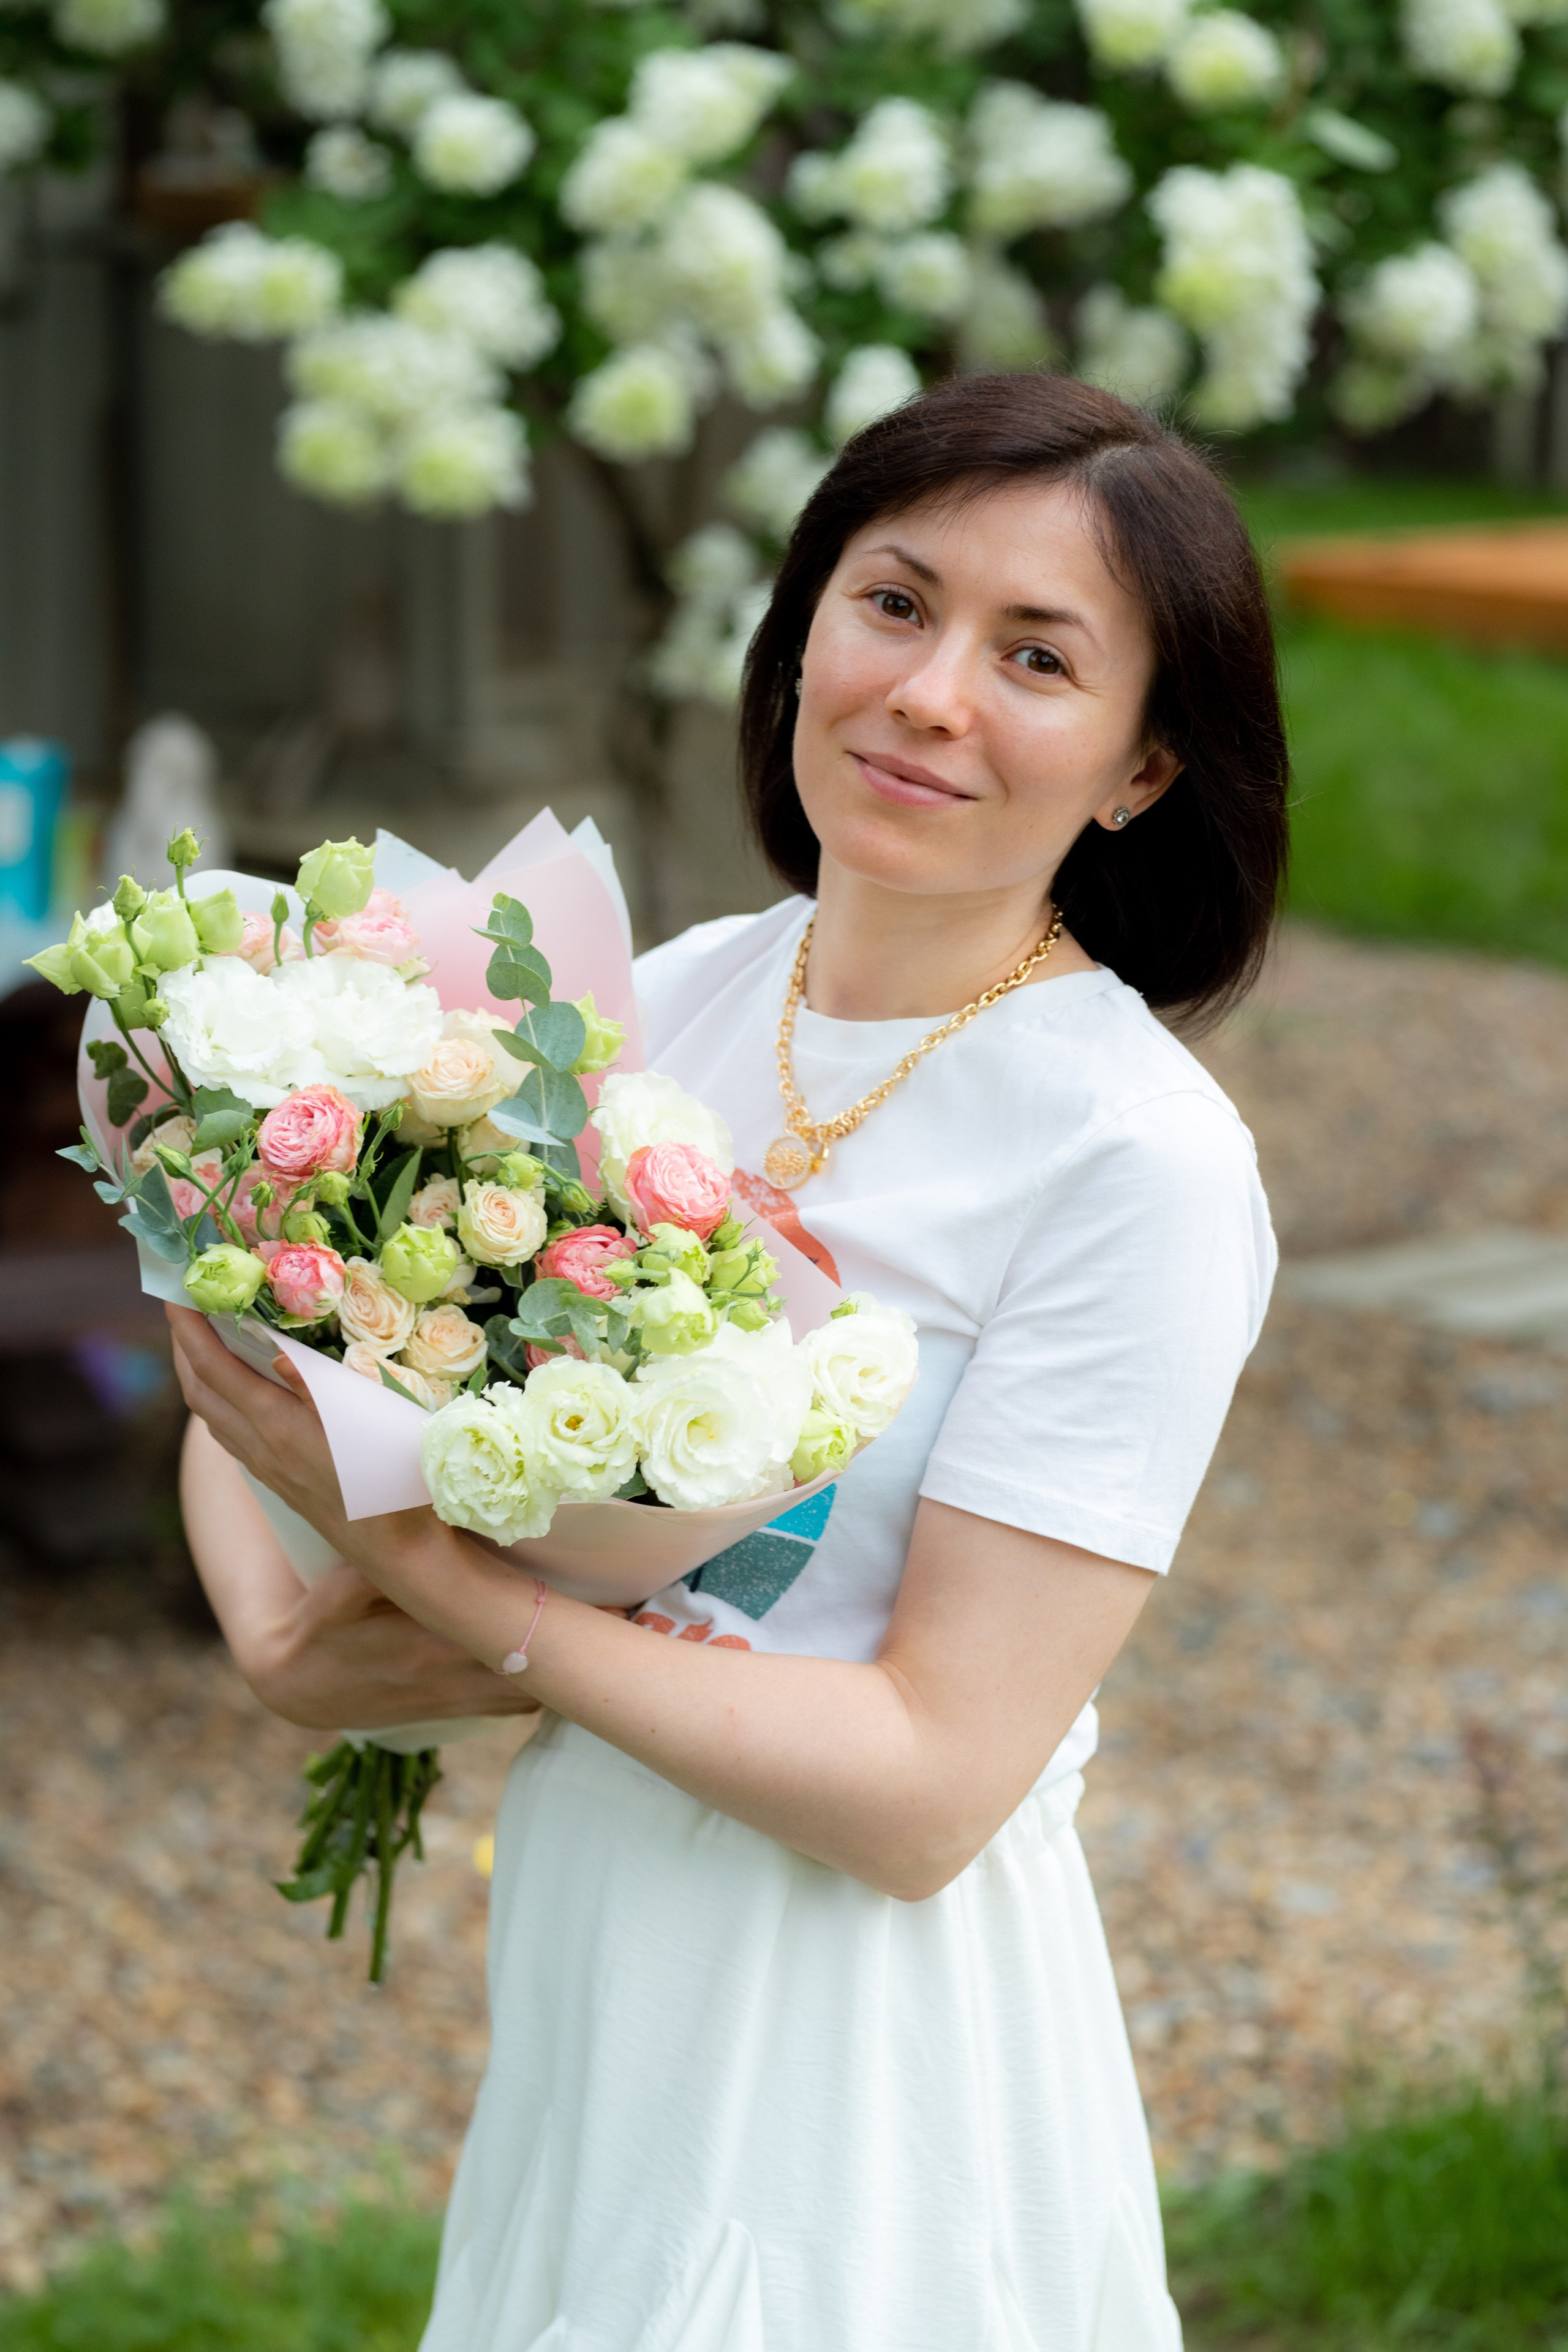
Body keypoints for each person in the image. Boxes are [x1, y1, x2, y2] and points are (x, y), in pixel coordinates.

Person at [172, 371, 1286, 2351]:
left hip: (861, 2051)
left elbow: (929, 1789)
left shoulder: (1137, 1160)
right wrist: (281, 1597)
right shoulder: (658, 1002)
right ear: (800, 634)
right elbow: (311, 1324)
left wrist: (446, 1587)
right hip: (599, 1961)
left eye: (1037, 656)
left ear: (1141, 766)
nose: (930, 694)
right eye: (895, 604)